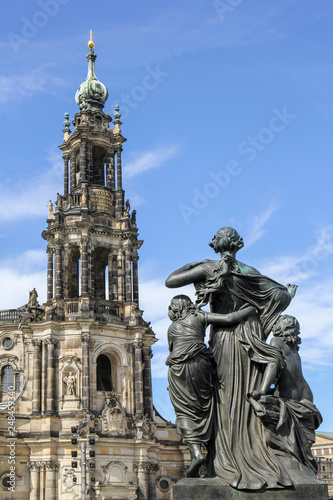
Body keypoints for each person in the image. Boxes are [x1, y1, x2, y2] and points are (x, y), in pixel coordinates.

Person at [166, 227, 297, 490]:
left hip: (224, 339)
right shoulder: (249, 272)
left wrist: (200, 263)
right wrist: (264, 310)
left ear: (215, 245)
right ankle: (254, 450)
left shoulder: (209, 267)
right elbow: (280, 295)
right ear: (238, 245)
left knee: (225, 397)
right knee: (244, 394)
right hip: (249, 337)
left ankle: (227, 458)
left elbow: (171, 281)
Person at [166, 294, 256, 478]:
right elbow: (229, 319)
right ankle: (210, 444)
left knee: (184, 412)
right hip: (200, 364)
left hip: (177, 370)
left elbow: (173, 348)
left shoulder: (172, 328)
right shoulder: (199, 317)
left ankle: (196, 452)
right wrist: (251, 307)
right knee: (205, 406)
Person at [248, 315, 322, 472]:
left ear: (278, 328)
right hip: (307, 395)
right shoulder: (295, 347)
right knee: (304, 442)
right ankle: (302, 468)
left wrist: (262, 390)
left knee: (267, 414)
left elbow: (274, 365)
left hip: (288, 395)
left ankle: (284, 462)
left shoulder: (276, 342)